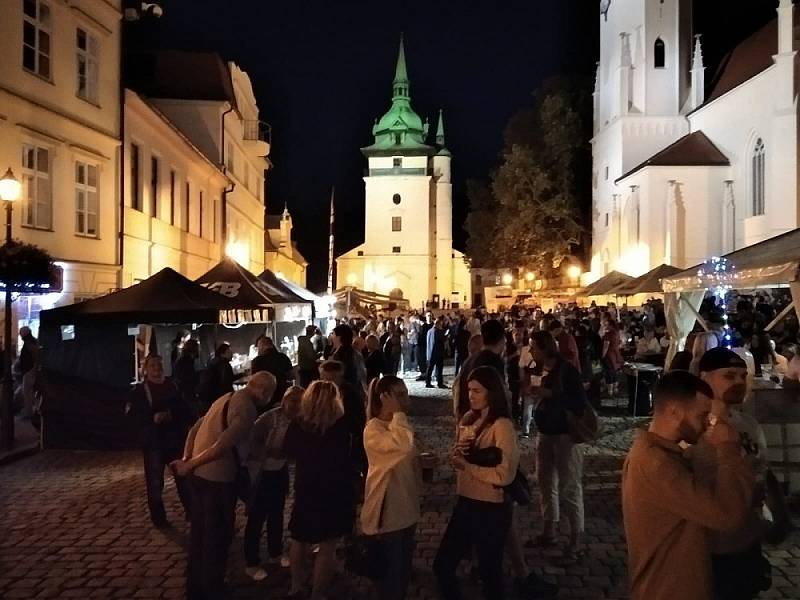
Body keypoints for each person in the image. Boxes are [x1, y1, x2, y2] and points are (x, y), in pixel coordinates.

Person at [622, 370, 754, 600]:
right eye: (702, 415)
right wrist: (727, 447)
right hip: (669, 589)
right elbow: (727, 515)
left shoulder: (662, 454)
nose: (706, 424)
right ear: (674, 412)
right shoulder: (656, 463)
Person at [172, 371, 277, 600]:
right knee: (216, 537)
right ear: (261, 390)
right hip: (217, 480)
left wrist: (188, 458)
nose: (269, 398)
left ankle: (196, 587)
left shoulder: (225, 397)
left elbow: (194, 429)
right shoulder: (247, 409)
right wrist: (191, 464)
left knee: (199, 535)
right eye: (269, 393)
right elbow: (223, 445)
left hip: (199, 477)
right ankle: (213, 589)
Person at [693, 348, 784, 600]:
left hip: (749, 540)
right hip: (713, 545)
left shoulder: (749, 425)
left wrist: (780, 512)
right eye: (729, 375)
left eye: (743, 376)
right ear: (704, 378)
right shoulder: (692, 431)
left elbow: (763, 470)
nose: (739, 382)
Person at [433, 366, 519, 600]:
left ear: (492, 392)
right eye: (469, 390)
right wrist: (458, 455)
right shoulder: (469, 419)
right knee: (443, 565)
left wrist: (467, 466)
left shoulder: (502, 426)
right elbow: (461, 457)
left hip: (491, 507)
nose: (471, 395)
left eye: (477, 391)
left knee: (491, 574)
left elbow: (504, 475)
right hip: (467, 502)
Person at [284, 381, 356, 600]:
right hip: (335, 490)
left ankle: (296, 586)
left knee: (299, 539)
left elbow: (288, 451)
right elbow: (349, 458)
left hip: (306, 487)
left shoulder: (299, 424)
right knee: (327, 544)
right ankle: (318, 593)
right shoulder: (342, 426)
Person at [528, 330, 587, 559]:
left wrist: (549, 393)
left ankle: (576, 538)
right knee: (546, 483)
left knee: (569, 486)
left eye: (534, 347)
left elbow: (579, 403)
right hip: (546, 433)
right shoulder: (541, 369)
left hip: (566, 436)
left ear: (545, 348)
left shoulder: (567, 370)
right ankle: (549, 530)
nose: (531, 351)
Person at [362, 376, 421, 600]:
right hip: (388, 516)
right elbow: (403, 446)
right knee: (390, 579)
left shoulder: (398, 424)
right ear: (385, 399)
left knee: (403, 573)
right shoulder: (374, 429)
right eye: (400, 395)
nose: (405, 399)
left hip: (407, 511)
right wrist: (398, 414)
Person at [126, 355, 194, 528]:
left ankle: (192, 512)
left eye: (159, 364)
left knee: (183, 478)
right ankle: (159, 518)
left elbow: (186, 409)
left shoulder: (173, 386)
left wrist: (171, 415)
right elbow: (133, 416)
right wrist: (151, 419)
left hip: (174, 440)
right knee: (155, 482)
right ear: (146, 369)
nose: (156, 367)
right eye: (153, 365)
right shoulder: (140, 391)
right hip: (154, 442)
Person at [243, 386, 303, 581]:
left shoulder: (299, 421)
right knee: (256, 517)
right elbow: (251, 441)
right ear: (284, 401)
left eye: (300, 401)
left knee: (276, 513)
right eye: (293, 401)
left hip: (279, 471)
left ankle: (275, 552)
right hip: (261, 473)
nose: (296, 405)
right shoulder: (268, 419)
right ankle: (251, 562)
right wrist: (268, 452)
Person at [319, 360, 368, 483]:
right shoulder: (320, 392)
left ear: (339, 376)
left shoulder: (350, 393)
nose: (326, 382)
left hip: (345, 442)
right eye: (323, 378)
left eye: (330, 378)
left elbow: (356, 420)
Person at [456, 319, 507, 420]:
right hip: (483, 418)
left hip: (467, 414)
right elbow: (496, 394)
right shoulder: (494, 361)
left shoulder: (470, 359)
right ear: (502, 340)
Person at [251, 335, 294, 406]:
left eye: (258, 347)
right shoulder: (283, 357)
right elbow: (292, 375)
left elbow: (254, 380)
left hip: (264, 398)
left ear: (263, 346)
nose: (258, 350)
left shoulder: (257, 361)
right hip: (282, 395)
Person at [197, 343, 235, 414]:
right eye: (229, 352)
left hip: (207, 398)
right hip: (217, 397)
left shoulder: (213, 362)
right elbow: (226, 382)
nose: (231, 354)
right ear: (222, 354)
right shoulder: (224, 364)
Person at [332, 324, 367, 390]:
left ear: (339, 337)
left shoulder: (339, 354)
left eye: (333, 334)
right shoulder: (356, 353)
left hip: (345, 391)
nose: (332, 337)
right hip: (356, 390)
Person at [173, 339, 200, 416]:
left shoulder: (184, 361)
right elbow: (187, 380)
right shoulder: (186, 362)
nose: (199, 350)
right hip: (187, 396)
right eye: (197, 348)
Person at [18, 326, 39, 419]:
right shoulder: (32, 341)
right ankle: (32, 411)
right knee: (30, 392)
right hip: (30, 370)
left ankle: (29, 413)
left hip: (29, 370)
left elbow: (35, 356)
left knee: (27, 392)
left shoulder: (29, 343)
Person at [601, 318, 624, 397]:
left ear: (611, 325)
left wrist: (603, 355)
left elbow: (606, 346)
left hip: (609, 355)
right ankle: (615, 389)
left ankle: (610, 391)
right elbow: (620, 343)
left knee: (609, 372)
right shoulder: (617, 333)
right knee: (614, 372)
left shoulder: (608, 334)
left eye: (607, 325)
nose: (606, 326)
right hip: (616, 354)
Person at [425, 317, 447, 389]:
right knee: (439, 369)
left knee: (430, 368)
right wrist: (446, 335)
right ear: (438, 324)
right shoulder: (438, 331)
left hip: (430, 353)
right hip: (438, 353)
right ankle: (439, 383)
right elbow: (442, 340)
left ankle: (428, 382)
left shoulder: (429, 331)